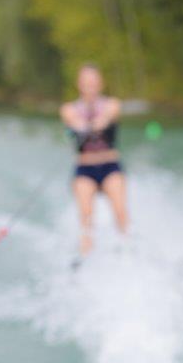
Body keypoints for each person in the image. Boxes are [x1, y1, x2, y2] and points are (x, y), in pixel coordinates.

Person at [60, 64, 129, 257]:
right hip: (85, 169)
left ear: (100, 84)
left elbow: (109, 115)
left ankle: (127, 249)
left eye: (94, 82)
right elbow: (72, 120)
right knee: (86, 217)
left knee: (120, 211)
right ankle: (85, 256)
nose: (90, 86)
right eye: (86, 83)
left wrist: (101, 121)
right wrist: (82, 125)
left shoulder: (111, 104)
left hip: (110, 166)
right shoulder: (69, 109)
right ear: (79, 85)